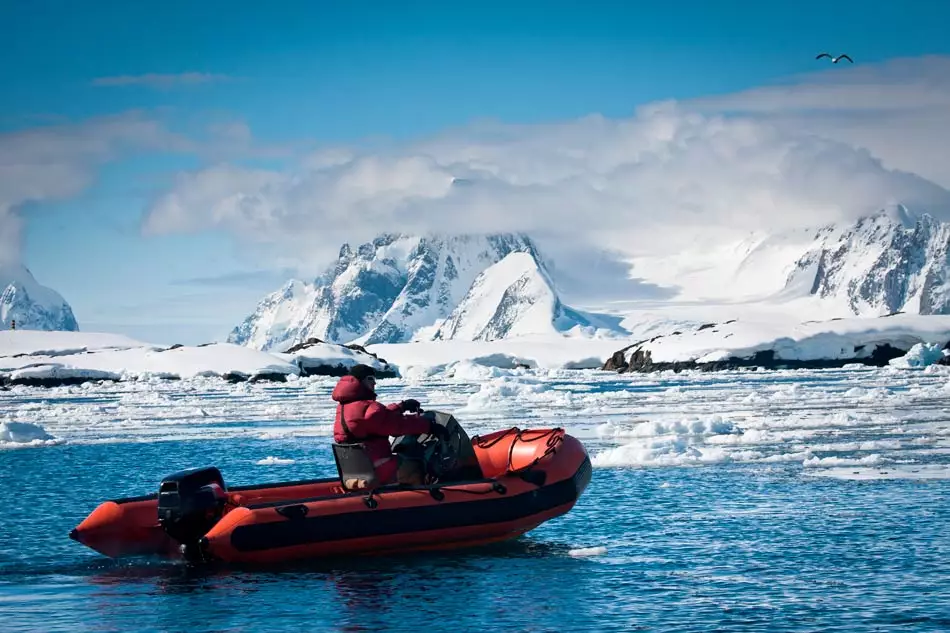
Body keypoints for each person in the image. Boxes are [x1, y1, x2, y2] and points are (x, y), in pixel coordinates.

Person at [331, 364, 446, 486]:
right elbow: (397, 425)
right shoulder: (368, 407)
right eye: (370, 379)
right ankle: (421, 501)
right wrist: (429, 426)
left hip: (355, 468)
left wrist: (401, 406)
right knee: (416, 466)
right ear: (360, 381)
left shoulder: (344, 407)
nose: (374, 383)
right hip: (376, 466)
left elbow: (378, 418)